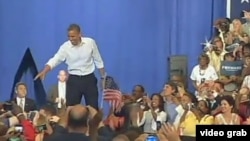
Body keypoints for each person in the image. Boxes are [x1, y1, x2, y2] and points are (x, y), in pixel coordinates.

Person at [35, 24, 106, 109]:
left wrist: (103, 78)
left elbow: (98, 61)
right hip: (74, 81)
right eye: (69, 36)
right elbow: (55, 59)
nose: (70, 39)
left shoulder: (90, 43)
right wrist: (44, 71)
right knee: (70, 109)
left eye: (73, 36)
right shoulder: (66, 47)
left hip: (89, 80)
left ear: (80, 34)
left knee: (93, 109)